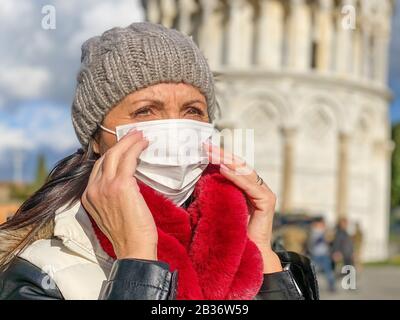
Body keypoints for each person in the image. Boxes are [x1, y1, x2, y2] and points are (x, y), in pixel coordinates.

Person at [0, 22, 318, 300]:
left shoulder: (242, 253)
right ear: (97, 139)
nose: (176, 130)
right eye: (145, 111)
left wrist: (263, 256)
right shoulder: (38, 272)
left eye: (192, 110)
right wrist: (137, 262)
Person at [308, 217, 336, 292]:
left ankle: (332, 286)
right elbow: (310, 242)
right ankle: (310, 287)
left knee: (328, 271)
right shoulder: (311, 231)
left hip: (324, 255)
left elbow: (331, 240)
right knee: (312, 272)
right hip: (315, 255)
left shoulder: (326, 231)